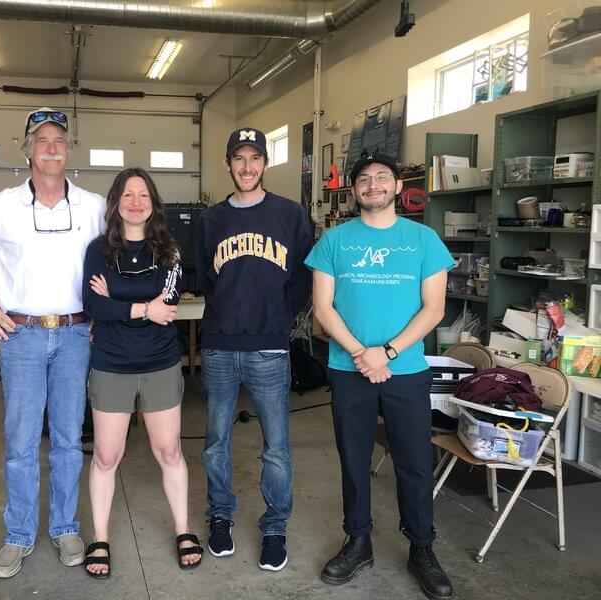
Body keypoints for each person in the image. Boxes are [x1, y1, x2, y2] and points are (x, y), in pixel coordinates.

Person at [0, 107, 106, 579]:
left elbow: (113, 257)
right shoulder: (1, 205)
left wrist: (102, 315)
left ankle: (66, 526)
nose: (52, 147)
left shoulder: (93, 206)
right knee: (20, 442)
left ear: (68, 150)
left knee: (71, 440)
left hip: (75, 335)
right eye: (42, 140)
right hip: (21, 336)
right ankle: (18, 534)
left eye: (59, 140)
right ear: (28, 149)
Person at [304, 153, 454, 599]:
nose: (373, 185)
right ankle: (358, 541)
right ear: (353, 190)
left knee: (414, 461)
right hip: (348, 370)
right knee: (354, 460)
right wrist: (359, 353)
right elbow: (323, 307)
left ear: (397, 185)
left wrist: (386, 352)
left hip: (406, 369)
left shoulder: (424, 240)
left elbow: (435, 308)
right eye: (364, 180)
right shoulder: (334, 241)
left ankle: (422, 548)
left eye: (381, 178)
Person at [194, 127, 312, 572]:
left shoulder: (290, 214)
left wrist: (279, 317)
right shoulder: (211, 221)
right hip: (221, 345)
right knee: (215, 442)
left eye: (255, 158)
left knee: (276, 447)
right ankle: (220, 516)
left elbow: (302, 275)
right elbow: (206, 277)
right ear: (227, 163)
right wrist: (226, 313)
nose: (247, 167)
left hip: (270, 348)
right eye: (238, 158)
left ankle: (275, 526)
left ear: (264, 163)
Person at [81, 167, 204, 578]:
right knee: (106, 455)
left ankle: (182, 529)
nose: (136, 202)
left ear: (154, 204)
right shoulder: (98, 250)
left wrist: (116, 294)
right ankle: (100, 537)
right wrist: (141, 307)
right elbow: (94, 307)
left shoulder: (169, 250)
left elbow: (167, 307)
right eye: (128, 195)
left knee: (169, 452)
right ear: (115, 202)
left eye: (144, 195)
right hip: (111, 364)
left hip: (159, 363)